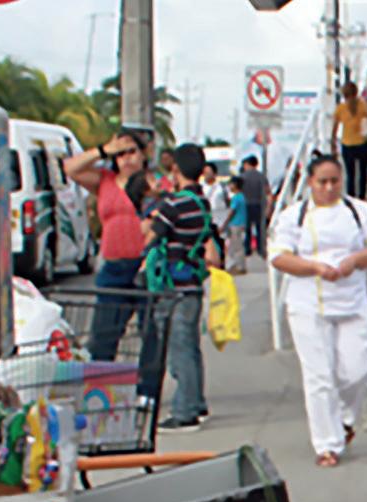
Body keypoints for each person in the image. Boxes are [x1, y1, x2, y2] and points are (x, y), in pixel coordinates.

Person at [271, 154, 367, 467]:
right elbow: (280, 257)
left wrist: (354, 261)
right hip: (308, 303)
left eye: (334, 181)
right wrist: (314, 267)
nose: (328, 187)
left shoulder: (358, 211)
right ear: (310, 182)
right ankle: (327, 444)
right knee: (319, 376)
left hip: (351, 301)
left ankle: (345, 420)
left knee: (359, 370)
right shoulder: (294, 216)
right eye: (322, 182)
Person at [147, 144, 223, 433]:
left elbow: (153, 235)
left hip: (172, 286)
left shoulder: (174, 204)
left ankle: (184, 412)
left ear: (175, 168)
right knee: (190, 347)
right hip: (192, 283)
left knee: (178, 351)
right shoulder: (202, 203)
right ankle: (197, 403)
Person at [63, 129, 152, 360]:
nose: (126, 158)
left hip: (147, 267)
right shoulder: (105, 181)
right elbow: (71, 168)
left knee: (152, 338)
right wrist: (103, 150)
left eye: (131, 152)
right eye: (120, 154)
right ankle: (104, 382)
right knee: (103, 340)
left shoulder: (153, 184)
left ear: (143, 154)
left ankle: (148, 384)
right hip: (114, 269)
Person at [334, 80, 367, 200]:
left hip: (347, 144)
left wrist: (332, 142)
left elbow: (335, 127)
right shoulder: (363, 105)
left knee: (350, 174)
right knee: (363, 172)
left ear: (344, 94)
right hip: (362, 143)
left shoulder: (340, 108)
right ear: (356, 92)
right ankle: (362, 197)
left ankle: (351, 198)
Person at [238, 154, 270, 256]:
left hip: (246, 205)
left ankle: (247, 249)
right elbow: (268, 192)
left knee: (247, 229)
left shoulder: (242, 177)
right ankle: (261, 248)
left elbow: (238, 192)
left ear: (247, 164)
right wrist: (268, 207)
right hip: (259, 205)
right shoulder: (261, 176)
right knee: (260, 228)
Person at [225, 176, 249, 274]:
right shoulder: (242, 196)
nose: (229, 186)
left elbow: (232, 211)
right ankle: (234, 266)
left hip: (236, 224)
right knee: (234, 246)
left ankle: (240, 267)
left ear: (235, 185)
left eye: (230, 184)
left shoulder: (236, 198)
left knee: (237, 246)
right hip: (241, 224)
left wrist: (225, 223)